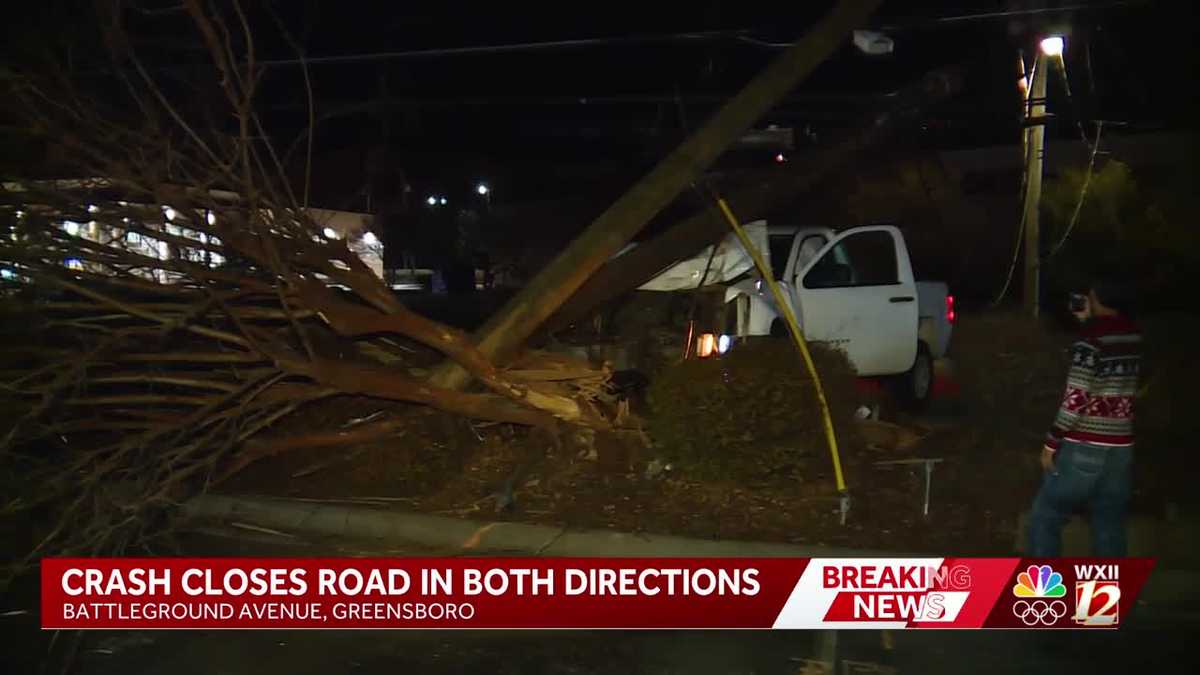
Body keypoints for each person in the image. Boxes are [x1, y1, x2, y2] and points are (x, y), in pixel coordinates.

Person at [1027, 277, 1140, 556]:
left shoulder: (1089, 341)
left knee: (1046, 517)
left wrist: (1051, 443)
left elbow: (1075, 400)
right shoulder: (1133, 335)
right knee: (1109, 523)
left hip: (1084, 446)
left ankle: (1048, 596)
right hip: (1121, 448)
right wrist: (1088, 324)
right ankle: (1107, 599)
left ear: (1098, 300)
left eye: (1090, 296)